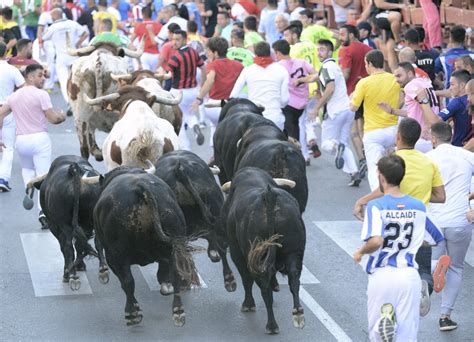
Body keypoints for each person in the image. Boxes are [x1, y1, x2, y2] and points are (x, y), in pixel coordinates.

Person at [354, 118, 447, 317]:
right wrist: (418, 193)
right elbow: (441, 196)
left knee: (390, 274)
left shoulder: (393, 161)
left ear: (398, 136)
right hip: (421, 226)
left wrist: (363, 200)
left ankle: (390, 313)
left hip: (394, 228)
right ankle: (425, 286)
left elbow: (386, 189)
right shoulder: (428, 161)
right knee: (422, 270)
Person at [0, 64, 65, 227]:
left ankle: (28, 186)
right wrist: (62, 116)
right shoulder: (41, 95)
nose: (43, 78)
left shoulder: (14, 96)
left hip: (21, 141)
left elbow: (1, 113)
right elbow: (53, 119)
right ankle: (42, 210)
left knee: (27, 169)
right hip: (39, 139)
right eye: (40, 75)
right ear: (29, 77)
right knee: (43, 175)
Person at [427, 122, 474, 331]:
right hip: (460, 219)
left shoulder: (427, 159)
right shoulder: (468, 157)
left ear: (433, 139)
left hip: (434, 222)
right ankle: (445, 316)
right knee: (456, 266)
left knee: (430, 261)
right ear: (452, 135)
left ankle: (433, 271)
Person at [309, 39, 361, 186]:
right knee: (343, 143)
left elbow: (330, 88)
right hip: (347, 109)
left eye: (322, 50)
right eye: (318, 50)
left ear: (330, 52)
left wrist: (316, 108)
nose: (319, 53)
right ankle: (354, 173)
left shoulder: (326, 67)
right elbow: (316, 79)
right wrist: (301, 80)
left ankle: (337, 149)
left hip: (335, 112)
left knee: (327, 144)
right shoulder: (334, 66)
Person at [350, 50, 400, 191]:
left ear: (370, 64)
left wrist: (351, 98)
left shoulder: (364, 82)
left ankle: (377, 196)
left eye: (366, 64)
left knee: (374, 168)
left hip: (373, 133)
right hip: (393, 130)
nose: (365, 67)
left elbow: (353, 108)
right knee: (395, 166)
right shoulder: (394, 79)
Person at [191, 37, 243, 145]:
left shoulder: (212, 65)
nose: (207, 53)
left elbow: (210, 81)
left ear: (215, 52)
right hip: (233, 107)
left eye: (209, 51)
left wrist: (198, 99)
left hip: (215, 107)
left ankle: (215, 153)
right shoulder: (239, 65)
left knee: (215, 127)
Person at [379, 62, 439, 153]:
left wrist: (426, 127)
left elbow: (424, 103)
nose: (396, 80)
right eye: (395, 76)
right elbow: (415, 111)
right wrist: (392, 111)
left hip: (422, 137)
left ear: (410, 74)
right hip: (432, 136)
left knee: (388, 156)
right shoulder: (425, 82)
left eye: (399, 76)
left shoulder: (410, 86)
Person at [230, 41, 289, 130]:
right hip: (276, 118)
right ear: (270, 52)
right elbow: (285, 100)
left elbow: (233, 96)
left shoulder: (247, 70)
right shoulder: (282, 70)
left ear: (255, 53)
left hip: (254, 118)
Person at [283, 23, 321, 162]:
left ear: (294, 35)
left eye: (287, 35)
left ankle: (305, 155)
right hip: (314, 84)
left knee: (300, 123)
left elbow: (291, 71)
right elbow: (317, 66)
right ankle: (312, 139)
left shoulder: (293, 50)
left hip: (301, 89)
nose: (285, 38)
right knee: (307, 120)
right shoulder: (310, 45)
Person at [339, 24, 372, 175]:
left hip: (353, 93)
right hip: (370, 91)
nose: (340, 37)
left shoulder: (345, 50)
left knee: (353, 132)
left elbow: (345, 74)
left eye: (342, 34)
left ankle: (362, 159)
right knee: (365, 127)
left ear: (351, 35)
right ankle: (371, 157)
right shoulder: (368, 49)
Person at [165, 29, 206, 150]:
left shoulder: (175, 57)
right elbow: (203, 67)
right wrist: (202, 85)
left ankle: (185, 148)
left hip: (178, 92)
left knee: (180, 121)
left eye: (177, 39)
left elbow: (168, 75)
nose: (174, 42)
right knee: (189, 114)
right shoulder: (194, 52)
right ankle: (196, 126)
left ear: (184, 39)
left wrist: (159, 76)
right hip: (193, 91)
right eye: (173, 39)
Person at [42, 8, 88, 105]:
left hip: (61, 58)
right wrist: (78, 43)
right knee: (76, 79)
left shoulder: (53, 27)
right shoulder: (72, 23)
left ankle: (69, 102)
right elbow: (85, 33)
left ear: (55, 16)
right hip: (73, 56)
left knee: (64, 81)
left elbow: (43, 37)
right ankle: (80, 99)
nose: (50, 18)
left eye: (51, 16)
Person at [273, 39, 314, 142]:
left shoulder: (278, 66)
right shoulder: (302, 62)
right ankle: (300, 149)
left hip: (289, 103)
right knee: (295, 126)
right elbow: (316, 74)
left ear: (278, 52)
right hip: (302, 102)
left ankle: (292, 151)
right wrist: (303, 80)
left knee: (288, 130)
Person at [418, 70, 472, 147]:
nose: (450, 88)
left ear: (462, 86)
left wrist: (423, 100)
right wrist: (433, 93)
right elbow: (450, 93)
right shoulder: (468, 99)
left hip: (459, 147)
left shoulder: (457, 102)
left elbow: (435, 122)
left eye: (452, 84)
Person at [0, 42, 25, 193]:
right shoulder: (11, 70)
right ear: (6, 52)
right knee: (8, 147)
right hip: (7, 108)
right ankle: (3, 178)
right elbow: (23, 89)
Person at [435, 26, 474, 93]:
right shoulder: (472, 55)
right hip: (470, 94)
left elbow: (433, 76)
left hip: (449, 96)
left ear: (451, 39)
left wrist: (442, 85)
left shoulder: (442, 58)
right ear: (465, 38)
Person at [131, 5, 162, 71]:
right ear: (151, 14)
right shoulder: (159, 26)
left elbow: (131, 40)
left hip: (144, 55)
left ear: (142, 14)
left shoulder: (139, 26)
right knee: (154, 79)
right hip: (156, 55)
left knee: (145, 78)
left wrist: (134, 48)